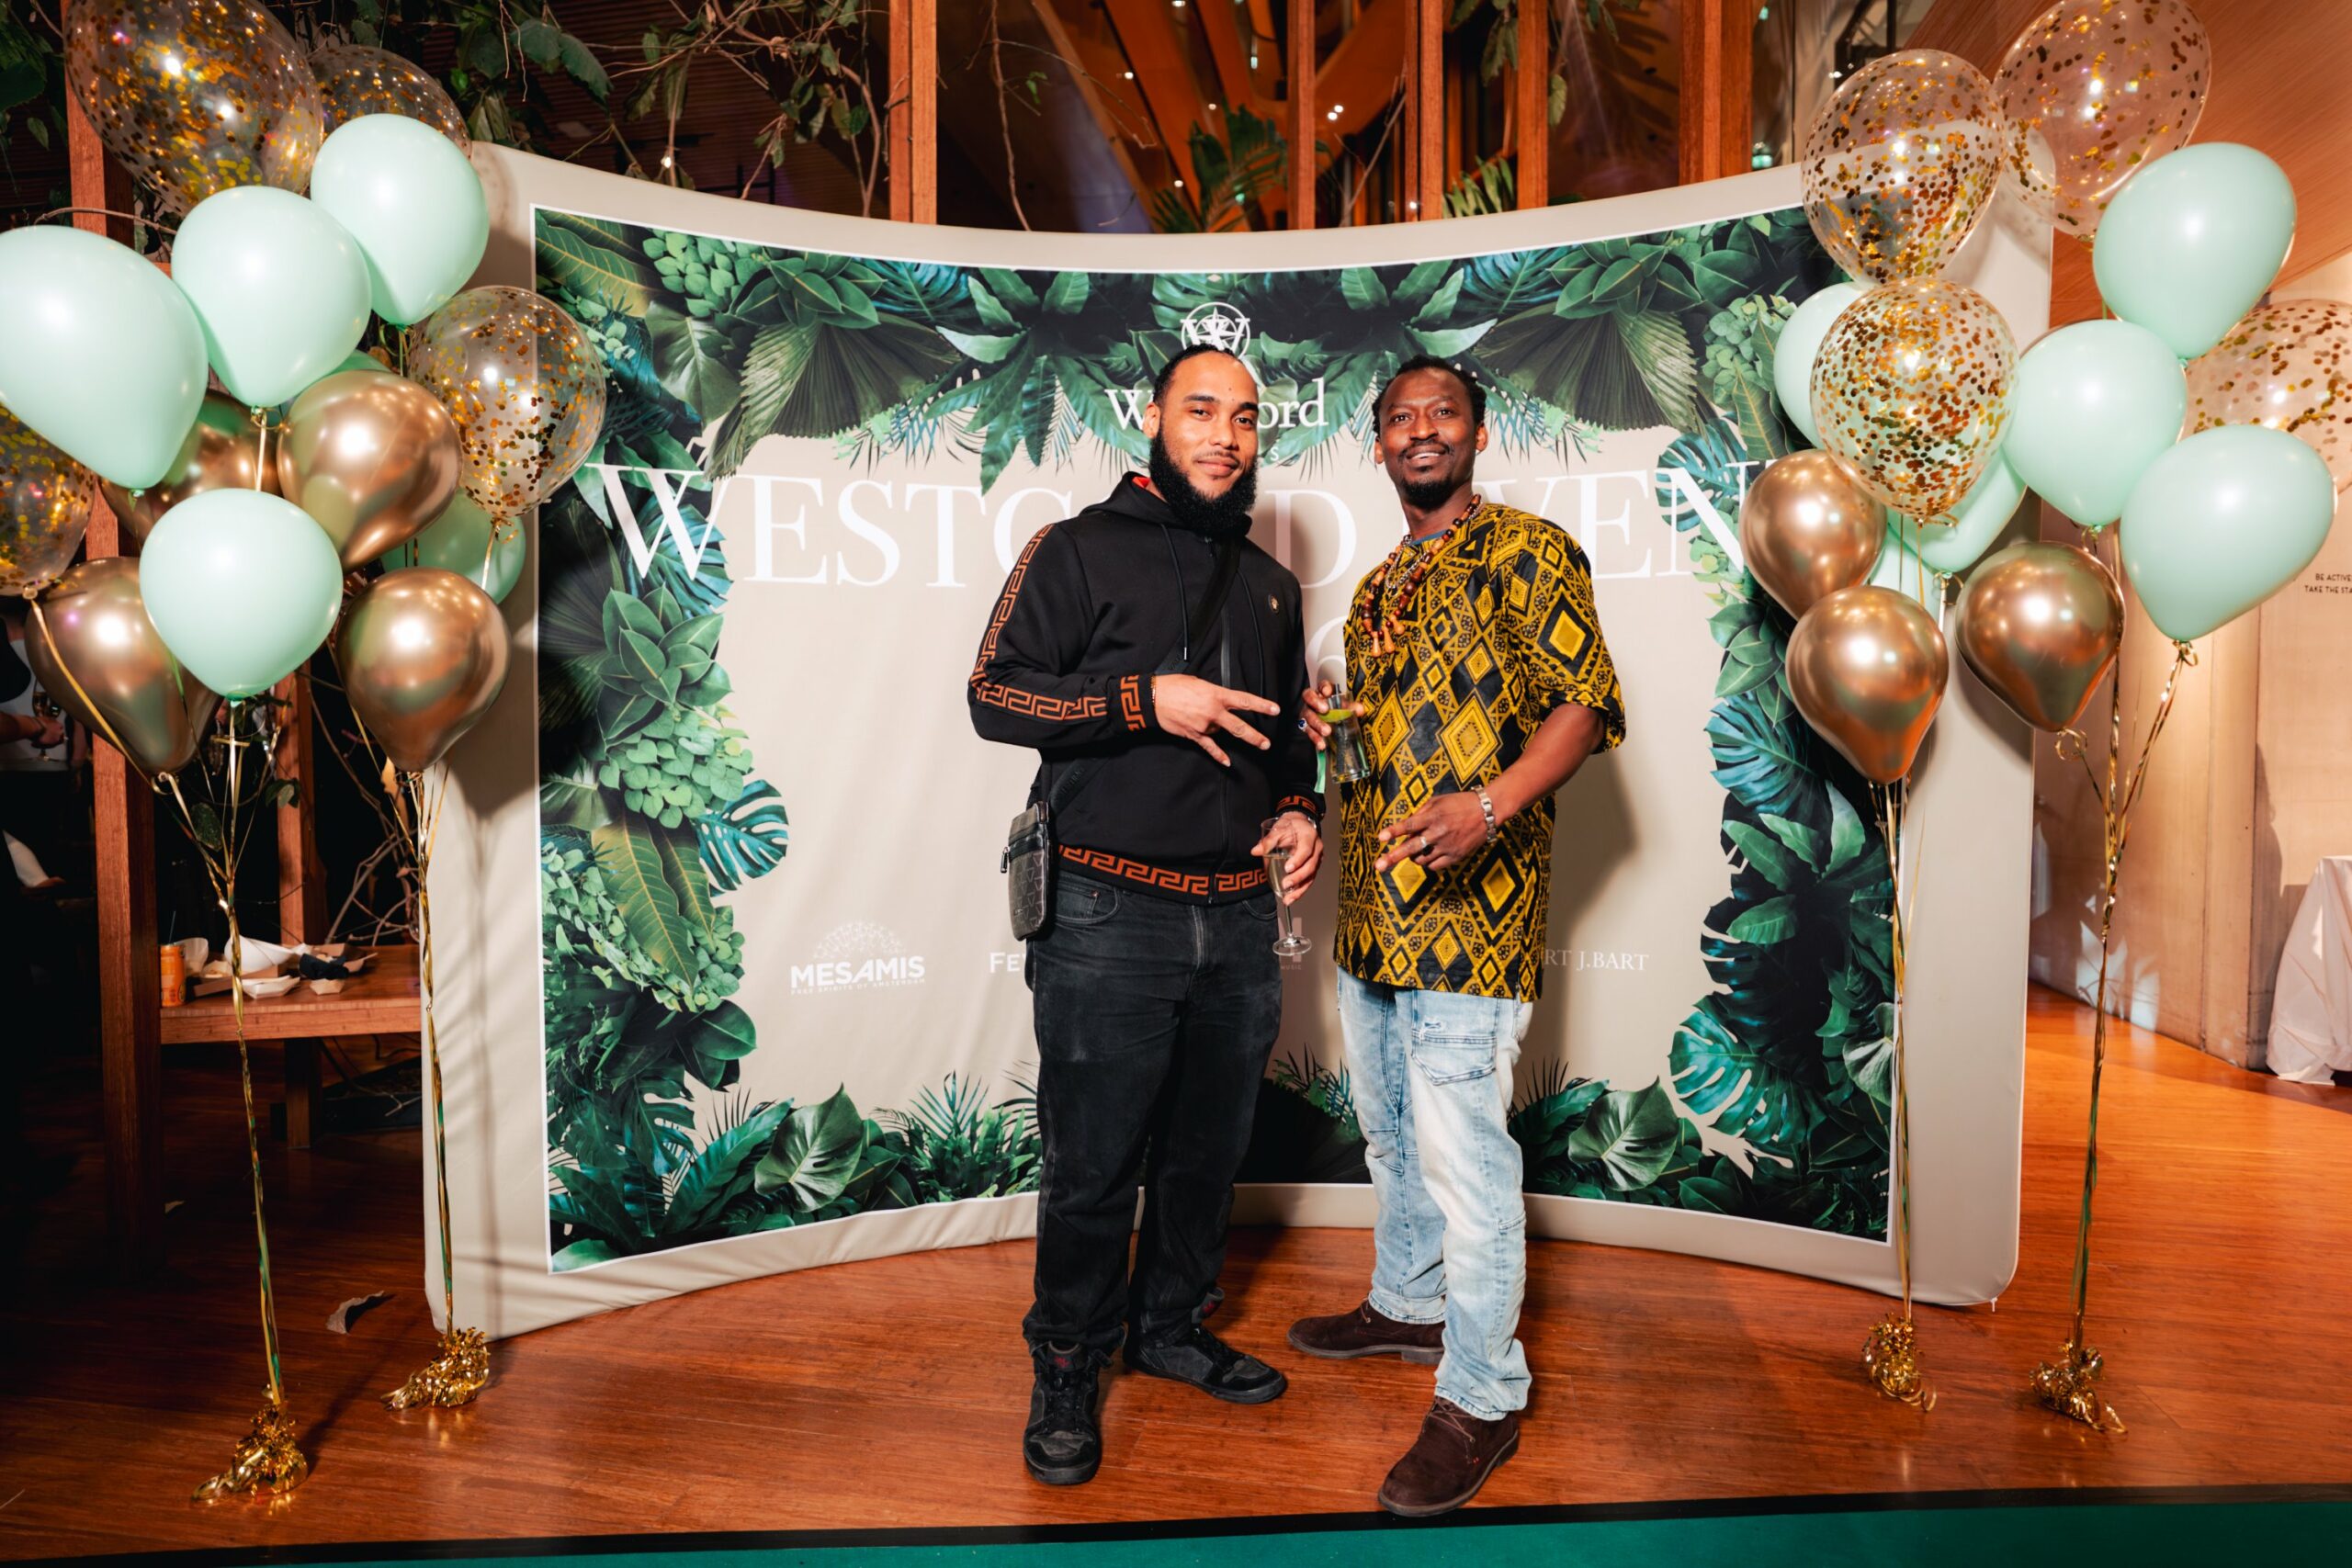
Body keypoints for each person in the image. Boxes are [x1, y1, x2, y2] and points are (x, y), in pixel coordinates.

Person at [967, 344, 1324, 1487]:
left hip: (1238, 922)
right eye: (1201, 411)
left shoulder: (1270, 584)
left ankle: (1169, 1327)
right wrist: (1141, 699)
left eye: (1245, 418)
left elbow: (1284, 744)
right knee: (1093, 1166)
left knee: (1205, 1157)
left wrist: (1301, 809)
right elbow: (992, 694)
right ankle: (1068, 1363)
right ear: (1153, 420)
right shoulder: (1075, 548)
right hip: (1107, 914)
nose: (1225, 435)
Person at [1290, 355, 1625, 1517]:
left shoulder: (1531, 551)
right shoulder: (1377, 587)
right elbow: (1370, 754)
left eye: (1443, 414)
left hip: (1472, 924)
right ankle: (1407, 1301)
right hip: (1374, 916)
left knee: (1465, 1162)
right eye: (1400, 418)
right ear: (1378, 444)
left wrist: (1488, 808)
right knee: (1391, 1135)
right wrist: (1331, 727)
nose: (1421, 430)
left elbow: (1582, 707)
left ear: (1478, 435)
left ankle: (1482, 1393)